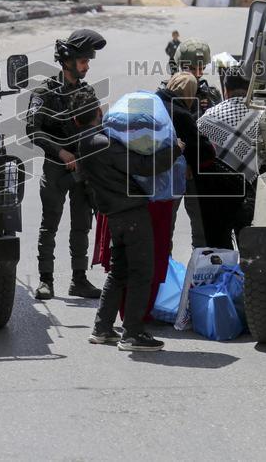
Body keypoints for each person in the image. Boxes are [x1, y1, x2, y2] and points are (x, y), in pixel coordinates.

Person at [72, 87, 184, 352]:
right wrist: (175, 150)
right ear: (99, 113)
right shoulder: (104, 143)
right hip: (131, 214)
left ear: (75, 120)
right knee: (140, 272)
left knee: (119, 271)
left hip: (114, 216)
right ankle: (133, 334)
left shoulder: (83, 143)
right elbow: (145, 166)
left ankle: (102, 328)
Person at [26, 28, 107, 300]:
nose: (86, 67)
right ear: (68, 61)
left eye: (88, 62)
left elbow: (99, 126)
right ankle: (45, 281)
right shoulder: (45, 92)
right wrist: (60, 152)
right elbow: (32, 129)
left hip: (83, 170)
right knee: (50, 225)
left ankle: (79, 279)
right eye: (83, 61)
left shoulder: (87, 92)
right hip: (56, 168)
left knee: (81, 226)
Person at [196, 69, 261, 249]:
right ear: (250, 88)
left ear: (226, 89)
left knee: (220, 251)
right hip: (249, 196)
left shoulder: (207, 118)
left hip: (216, 198)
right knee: (249, 249)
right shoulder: (262, 117)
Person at [156, 72, 217, 249]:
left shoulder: (157, 104)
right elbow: (203, 149)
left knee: (165, 227)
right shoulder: (181, 113)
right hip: (184, 177)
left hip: (160, 178)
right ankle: (198, 268)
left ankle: (164, 268)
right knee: (200, 226)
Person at [172, 37, 222, 116]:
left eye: (202, 68)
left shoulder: (212, 93)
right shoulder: (168, 93)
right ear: (181, 67)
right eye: (192, 69)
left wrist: (211, 108)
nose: (199, 74)